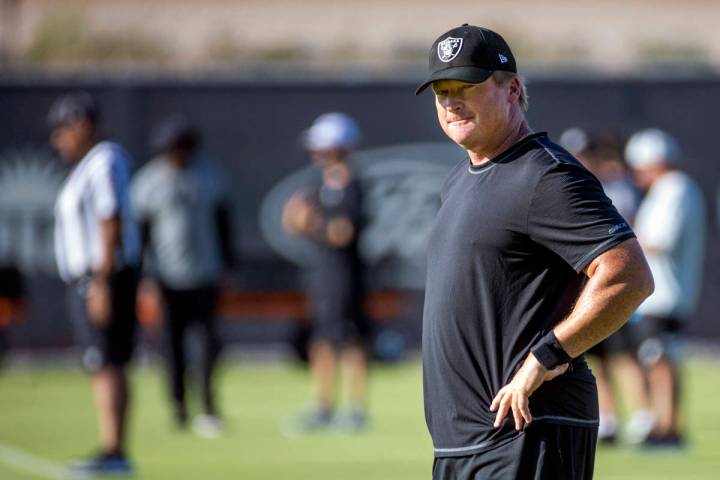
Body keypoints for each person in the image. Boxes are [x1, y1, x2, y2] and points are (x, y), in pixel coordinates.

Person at [416, 25, 654, 479]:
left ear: (512, 89)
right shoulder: (459, 181)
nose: (451, 101)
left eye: (466, 86)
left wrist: (546, 358)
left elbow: (629, 275)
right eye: (442, 90)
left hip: (527, 431)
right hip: (464, 443)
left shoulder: (546, 175)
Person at [49, 92, 140, 475]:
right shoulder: (86, 165)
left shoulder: (104, 160)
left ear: (80, 124)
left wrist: (102, 280)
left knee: (107, 361)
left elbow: (110, 216)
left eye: (61, 131)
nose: (57, 142)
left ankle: (114, 449)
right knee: (100, 363)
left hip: (104, 277)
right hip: (92, 277)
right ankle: (110, 447)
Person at [132, 115, 234, 437]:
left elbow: (223, 225)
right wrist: (145, 279)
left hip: (205, 273)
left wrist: (229, 267)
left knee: (207, 343)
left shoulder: (208, 177)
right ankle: (178, 407)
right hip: (165, 277)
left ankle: (208, 406)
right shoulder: (149, 182)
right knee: (171, 345)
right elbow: (141, 233)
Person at [559, 128, 653, 444]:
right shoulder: (567, 187)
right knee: (594, 357)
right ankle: (609, 420)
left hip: (612, 282)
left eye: (585, 154)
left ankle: (643, 417)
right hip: (585, 287)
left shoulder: (614, 187)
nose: (581, 160)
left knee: (625, 355)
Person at [282, 113, 370, 433]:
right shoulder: (317, 184)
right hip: (321, 274)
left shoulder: (352, 185)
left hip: (345, 275)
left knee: (349, 338)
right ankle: (322, 405)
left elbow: (342, 232)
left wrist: (312, 223)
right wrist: (298, 220)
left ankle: (355, 408)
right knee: (321, 339)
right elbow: (293, 221)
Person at [625, 128, 706, 448]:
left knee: (660, 360)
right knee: (659, 359)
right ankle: (665, 425)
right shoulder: (670, 189)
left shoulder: (675, 189)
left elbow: (659, 241)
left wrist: (621, 242)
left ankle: (668, 427)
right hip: (662, 294)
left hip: (664, 295)